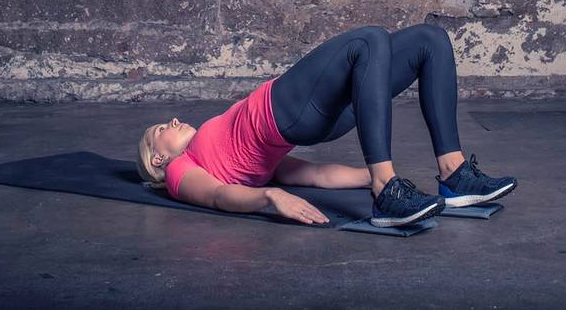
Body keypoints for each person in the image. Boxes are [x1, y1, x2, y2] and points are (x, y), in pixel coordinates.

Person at [137, 23, 518, 228]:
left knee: (429, 40)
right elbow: (219, 196)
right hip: (283, 108)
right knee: (368, 40)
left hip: (315, 120)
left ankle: (452, 174)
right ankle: (386, 193)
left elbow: (314, 174)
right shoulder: (179, 170)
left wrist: (363, 176)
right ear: (158, 159)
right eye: (160, 131)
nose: (170, 123)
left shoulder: (243, 164)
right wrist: (268, 198)